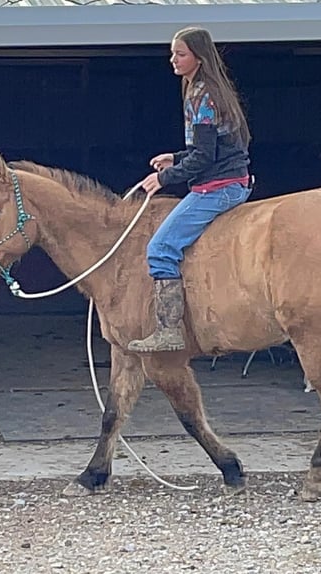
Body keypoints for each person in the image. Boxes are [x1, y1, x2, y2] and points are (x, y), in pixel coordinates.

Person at [128, 27, 252, 353]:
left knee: (160, 249)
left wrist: (164, 178)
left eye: (180, 54)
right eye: (172, 53)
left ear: (198, 57)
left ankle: (169, 330)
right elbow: (211, 149)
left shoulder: (203, 96)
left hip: (218, 188)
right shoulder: (210, 89)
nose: (173, 60)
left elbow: (204, 157)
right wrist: (175, 157)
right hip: (232, 180)